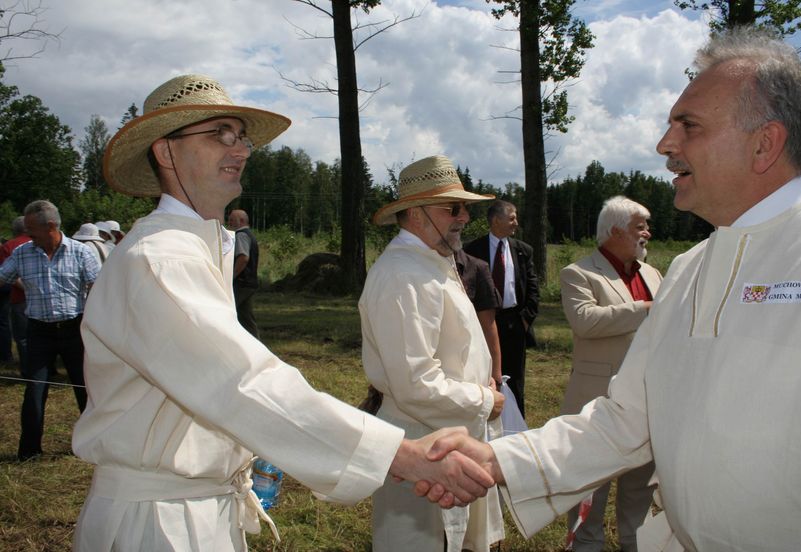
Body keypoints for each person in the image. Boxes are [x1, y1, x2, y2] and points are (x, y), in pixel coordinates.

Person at [420, 27, 801, 551]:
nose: (665, 144)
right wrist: (499, 458)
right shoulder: (688, 269)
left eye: (688, 125)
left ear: (764, 143)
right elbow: (627, 419)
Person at [70, 74, 493, 552]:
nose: (240, 149)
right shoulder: (159, 258)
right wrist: (402, 454)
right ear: (166, 152)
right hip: (161, 523)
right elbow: (242, 384)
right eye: (219, 134)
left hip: (196, 508)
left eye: (241, 136)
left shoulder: (196, 247)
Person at [361, 154, 505, 552]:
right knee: (420, 540)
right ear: (416, 213)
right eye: (453, 208)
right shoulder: (403, 274)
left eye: (464, 208)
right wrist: (484, 401)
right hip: (419, 443)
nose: (464, 217)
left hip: (447, 434)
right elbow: (415, 382)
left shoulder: (429, 262)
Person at [559, 196, 663, 552]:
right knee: (590, 493)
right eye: (640, 227)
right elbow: (585, 321)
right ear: (616, 231)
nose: (647, 233)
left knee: (639, 492)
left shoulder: (652, 274)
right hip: (596, 402)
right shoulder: (578, 273)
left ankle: (635, 545)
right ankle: (586, 545)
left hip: (645, 402)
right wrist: (646, 308)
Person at [0, 200, 99, 460]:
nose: (27, 233)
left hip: (74, 331)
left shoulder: (80, 252)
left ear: (51, 226)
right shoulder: (22, 253)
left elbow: (99, 287)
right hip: (39, 333)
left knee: (85, 389)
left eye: (32, 229)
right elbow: (2, 276)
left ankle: (93, 446)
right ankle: (30, 451)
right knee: (34, 389)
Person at [464, 199, 539, 416]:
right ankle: (485, 418)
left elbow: (533, 288)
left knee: (515, 379)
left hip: (514, 323)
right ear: (496, 220)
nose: (516, 223)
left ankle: (516, 423)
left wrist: (525, 320)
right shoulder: (473, 250)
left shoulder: (523, 251)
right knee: (483, 373)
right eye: (512, 218)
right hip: (483, 323)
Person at [454, 248, 502, 386]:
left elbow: (489, 327)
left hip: (468, 367)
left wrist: (496, 376)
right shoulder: (419, 266)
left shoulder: (476, 268)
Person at [0, 216, 31, 374]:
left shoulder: (10, 245)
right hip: (43, 298)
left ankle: (27, 370)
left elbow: (6, 275)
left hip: (20, 298)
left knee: (23, 337)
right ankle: (49, 369)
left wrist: (27, 289)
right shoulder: (43, 242)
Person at [227, 208, 260, 338]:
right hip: (249, 282)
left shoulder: (241, 235)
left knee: (227, 311)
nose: (229, 222)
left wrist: (231, 276)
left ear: (241, 221)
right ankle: (255, 343)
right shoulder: (249, 235)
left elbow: (243, 258)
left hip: (241, 283)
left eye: (231, 220)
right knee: (246, 317)